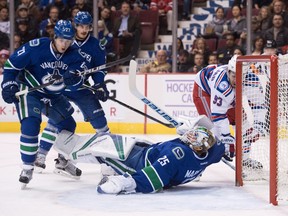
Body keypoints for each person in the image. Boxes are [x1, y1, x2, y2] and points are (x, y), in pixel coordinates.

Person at [1, 20, 88, 187]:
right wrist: (8, 84)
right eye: (62, 40)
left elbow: (78, 81)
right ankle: (27, 167)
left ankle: (62, 161)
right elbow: (11, 65)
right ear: (54, 37)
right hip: (30, 91)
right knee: (31, 124)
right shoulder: (36, 47)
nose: (65, 44)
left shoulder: (75, 54)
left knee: (68, 124)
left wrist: (74, 79)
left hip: (54, 96)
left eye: (69, 40)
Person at [52, 115, 235, 194]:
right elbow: (217, 140)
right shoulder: (212, 150)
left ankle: (65, 158)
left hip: (140, 163)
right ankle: (108, 168)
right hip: (151, 151)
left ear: (194, 145)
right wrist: (190, 126)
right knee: (116, 139)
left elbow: (153, 181)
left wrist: (125, 183)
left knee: (103, 148)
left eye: (191, 137)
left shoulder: (176, 156)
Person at [34, 12, 110, 176]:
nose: (84, 29)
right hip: (59, 88)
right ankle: (40, 156)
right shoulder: (64, 39)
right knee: (57, 121)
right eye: (81, 26)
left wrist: (100, 85)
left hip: (81, 88)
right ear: (75, 25)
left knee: (101, 124)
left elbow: (100, 70)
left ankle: (106, 161)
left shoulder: (96, 46)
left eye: (87, 26)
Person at [192, 55, 263, 169]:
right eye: (234, 76)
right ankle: (195, 165)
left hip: (228, 96)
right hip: (204, 90)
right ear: (228, 72)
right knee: (211, 130)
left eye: (240, 76)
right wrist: (226, 137)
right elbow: (218, 115)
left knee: (245, 126)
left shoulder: (251, 81)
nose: (237, 80)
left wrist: (259, 125)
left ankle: (244, 160)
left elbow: (259, 105)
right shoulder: (221, 85)